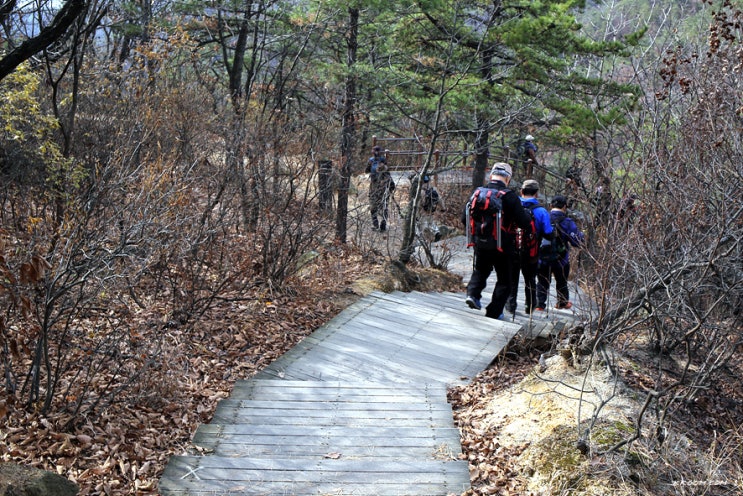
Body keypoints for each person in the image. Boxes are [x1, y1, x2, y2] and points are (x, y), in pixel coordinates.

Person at [464, 163, 532, 320]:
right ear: (507, 178)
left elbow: (464, 218)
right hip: (503, 245)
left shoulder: (478, 193)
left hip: (480, 242)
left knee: (481, 270)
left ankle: (473, 294)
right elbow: (524, 223)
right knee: (505, 280)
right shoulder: (509, 196)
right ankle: (494, 311)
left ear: (491, 175)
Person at [506, 179, 554, 315]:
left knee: (512, 279)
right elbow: (549, 234)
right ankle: (530, 306)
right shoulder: (541, 211)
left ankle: (511, 306)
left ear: (521, 191)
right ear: (537, 194)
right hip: (531, 251)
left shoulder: (513, 206)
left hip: (512, 249)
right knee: (530, 280)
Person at [536, 195, 585, 311]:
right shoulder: (568, 222)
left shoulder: (543, 217)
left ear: (550, 206)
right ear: (564, 207)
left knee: (542, 281)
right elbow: (576, 242)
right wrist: (582, 235)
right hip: (561, 259)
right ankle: (562, 302)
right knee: (561, 281)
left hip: (542, 257)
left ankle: (539, 304)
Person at [368, 162, 395, 231]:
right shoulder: (387, 175)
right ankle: (382, 226)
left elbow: (372, 186)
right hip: (383, 196)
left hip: (376, 195)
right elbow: (393, 186)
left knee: (374, 210)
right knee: (383, 210)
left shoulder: (375, 175)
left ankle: (377, 225)